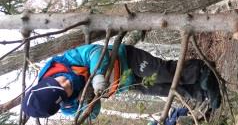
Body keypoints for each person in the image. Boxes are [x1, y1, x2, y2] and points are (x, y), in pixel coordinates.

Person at [22, 44, 221, 119]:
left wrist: (98, 73)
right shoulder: (69, 107)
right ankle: (201, 93)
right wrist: (90, 103)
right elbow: (92, 115)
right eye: (64, 91)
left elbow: (94, 51)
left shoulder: (60, 64)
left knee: (163, 72)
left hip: (126, 59)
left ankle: (201, 72)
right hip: (125, 83)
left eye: (61, 82)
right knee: (162, 88)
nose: (66, 84)